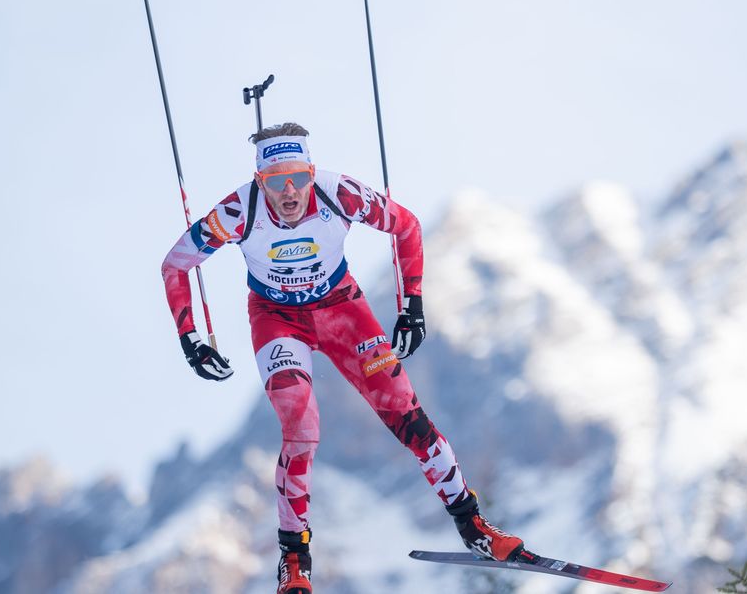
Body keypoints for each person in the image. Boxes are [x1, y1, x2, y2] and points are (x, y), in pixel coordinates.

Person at [160, 123, 531, 594]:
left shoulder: (340, 193)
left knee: (406, 414)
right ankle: (294, 559)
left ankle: (473, 527)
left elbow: (407, 226)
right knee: (301, 424)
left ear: (311, 173)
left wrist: (411, 307)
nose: (289, 191)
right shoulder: (238, 211)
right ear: (260, 182)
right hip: (277, 318)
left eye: (297, 177)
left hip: (342, 310)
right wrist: (191, 338)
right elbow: (176, 264)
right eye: (276, 181)